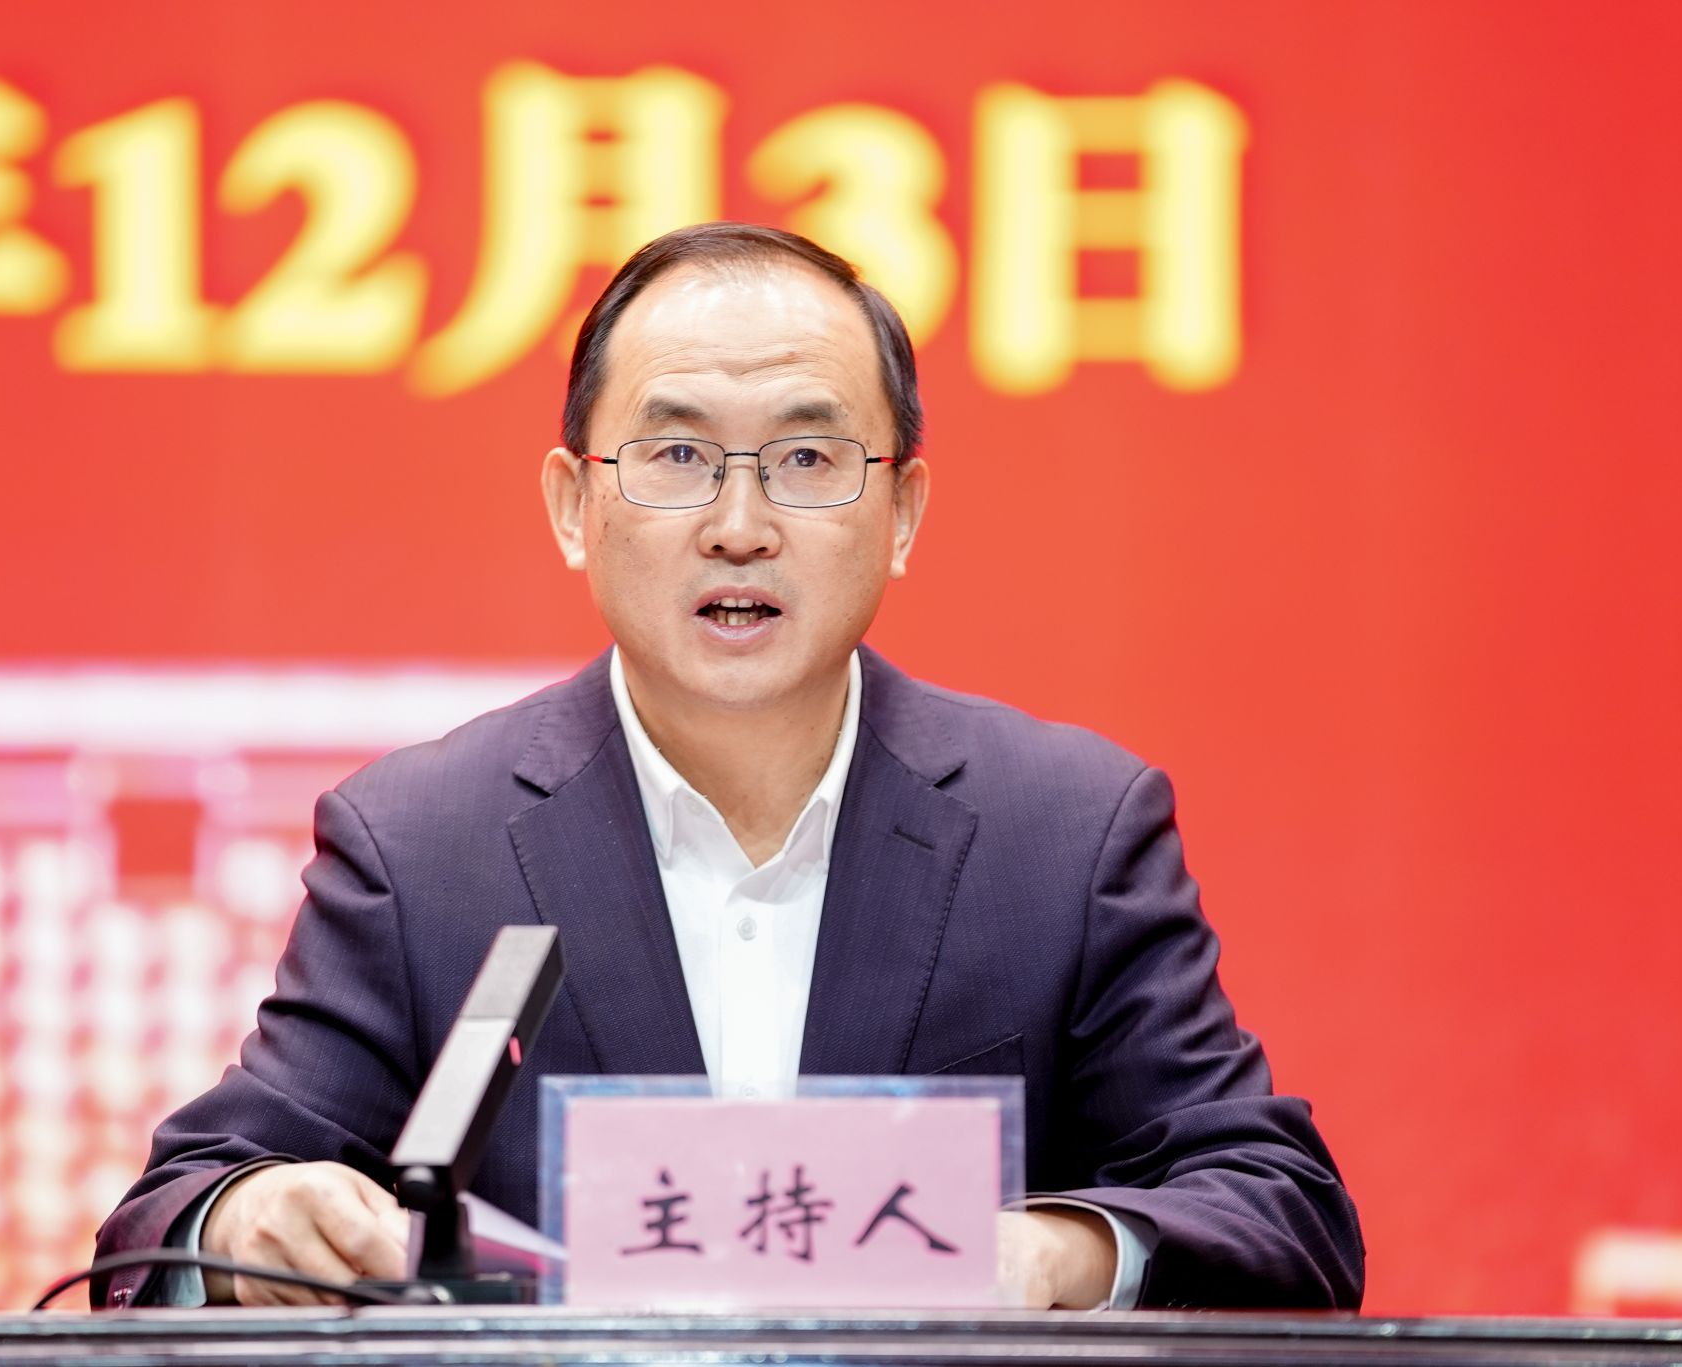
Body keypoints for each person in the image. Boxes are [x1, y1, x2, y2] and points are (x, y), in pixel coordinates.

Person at [93, 223, 1364, 1312]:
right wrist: (253, 1214)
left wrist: (1044, 1252)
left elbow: (1279, 1210)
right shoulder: (424, 843)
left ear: (902, 511)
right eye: (676, 456)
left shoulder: (1063, 830)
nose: (739, 526)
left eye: (807, 459)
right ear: (573, 506)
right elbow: (167, 1221)